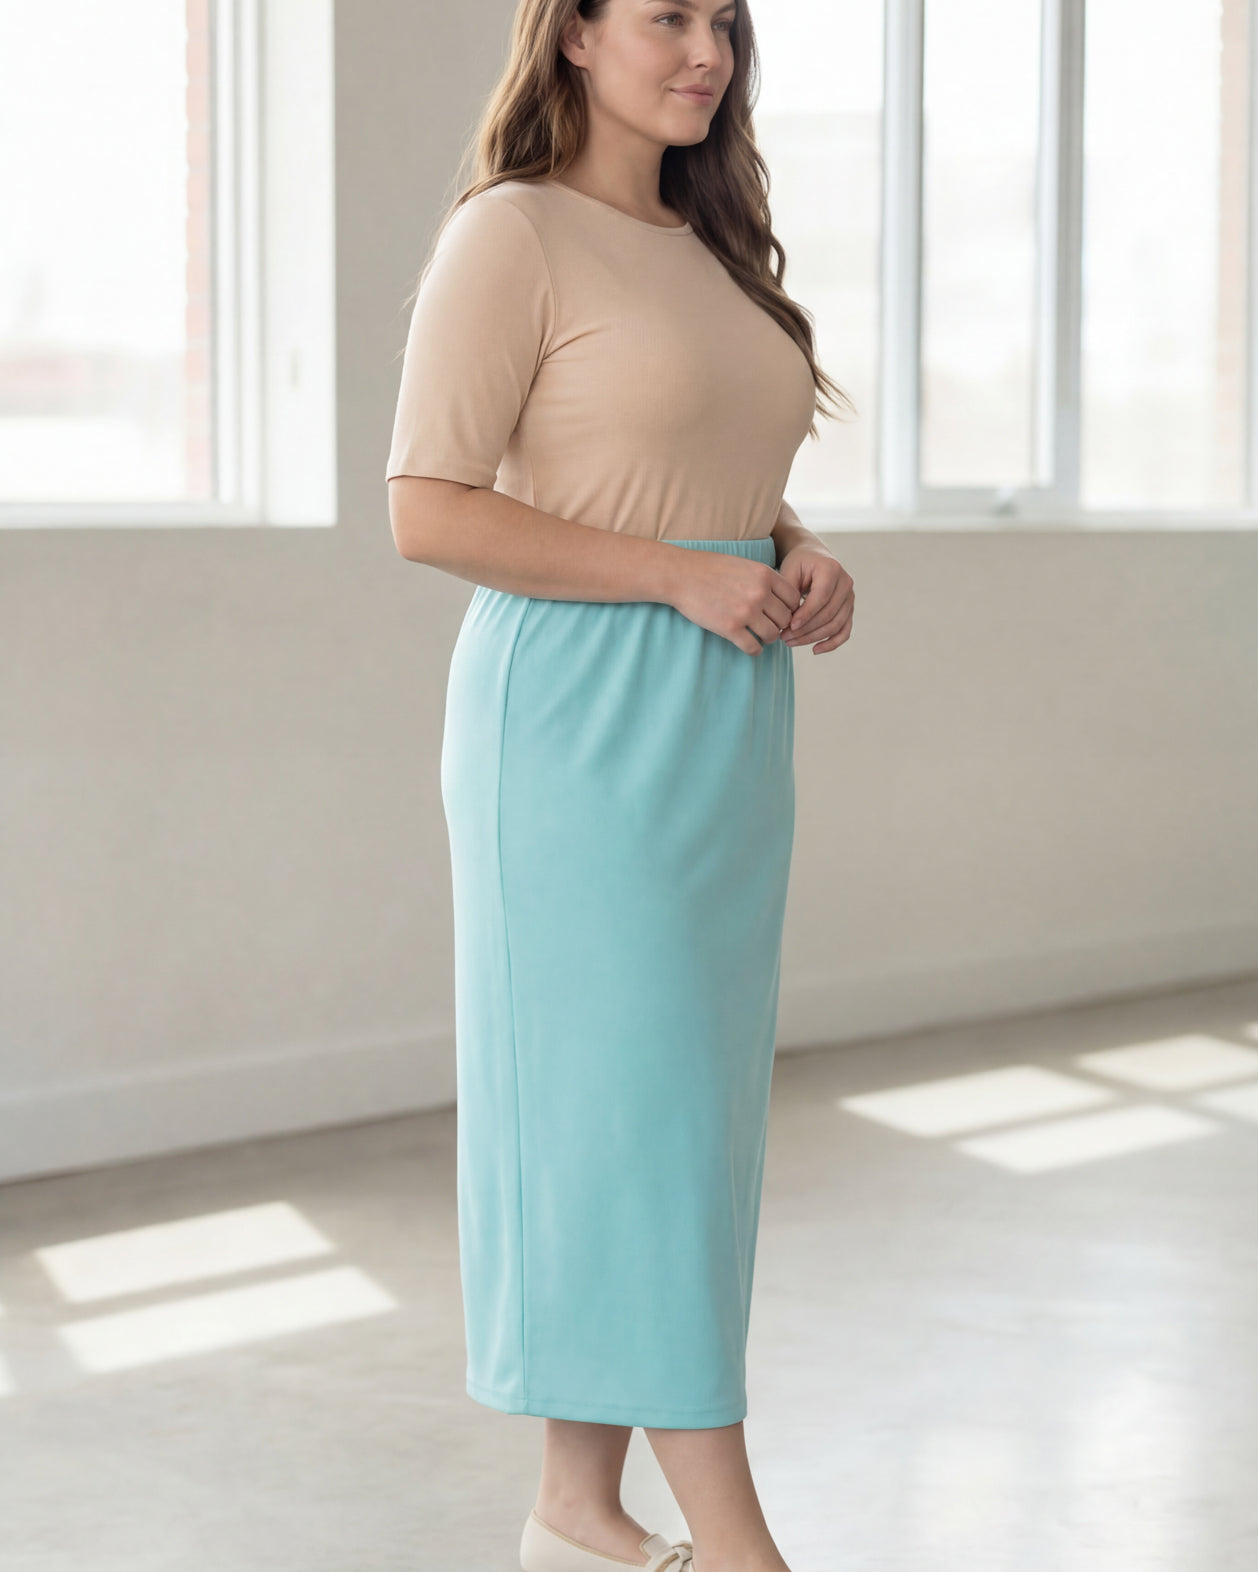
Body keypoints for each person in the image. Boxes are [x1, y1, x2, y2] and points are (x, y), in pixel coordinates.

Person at [386, 2, 856, 1568]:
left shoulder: (711, 248)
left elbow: (707, 461)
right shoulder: (509, 235)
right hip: (572, 724)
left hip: (725, 711)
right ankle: (737, 1547)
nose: (706, 48)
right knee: (627, 1121)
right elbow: (428, 509)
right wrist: (671, 577)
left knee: (673, 1120)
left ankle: (576, 1514)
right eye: (667, 15)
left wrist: (791, 554)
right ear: (572, 35)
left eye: (725, 19)